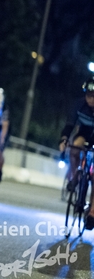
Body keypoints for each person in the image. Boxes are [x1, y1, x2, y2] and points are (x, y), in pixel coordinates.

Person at [58, 77, 94, 230]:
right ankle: (75, 176)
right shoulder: (79, 105)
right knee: (74, 147)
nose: (91, 99)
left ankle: (92, 212)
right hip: (85, 133)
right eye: (88, 95)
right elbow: (70, 125)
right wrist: (64, 140)